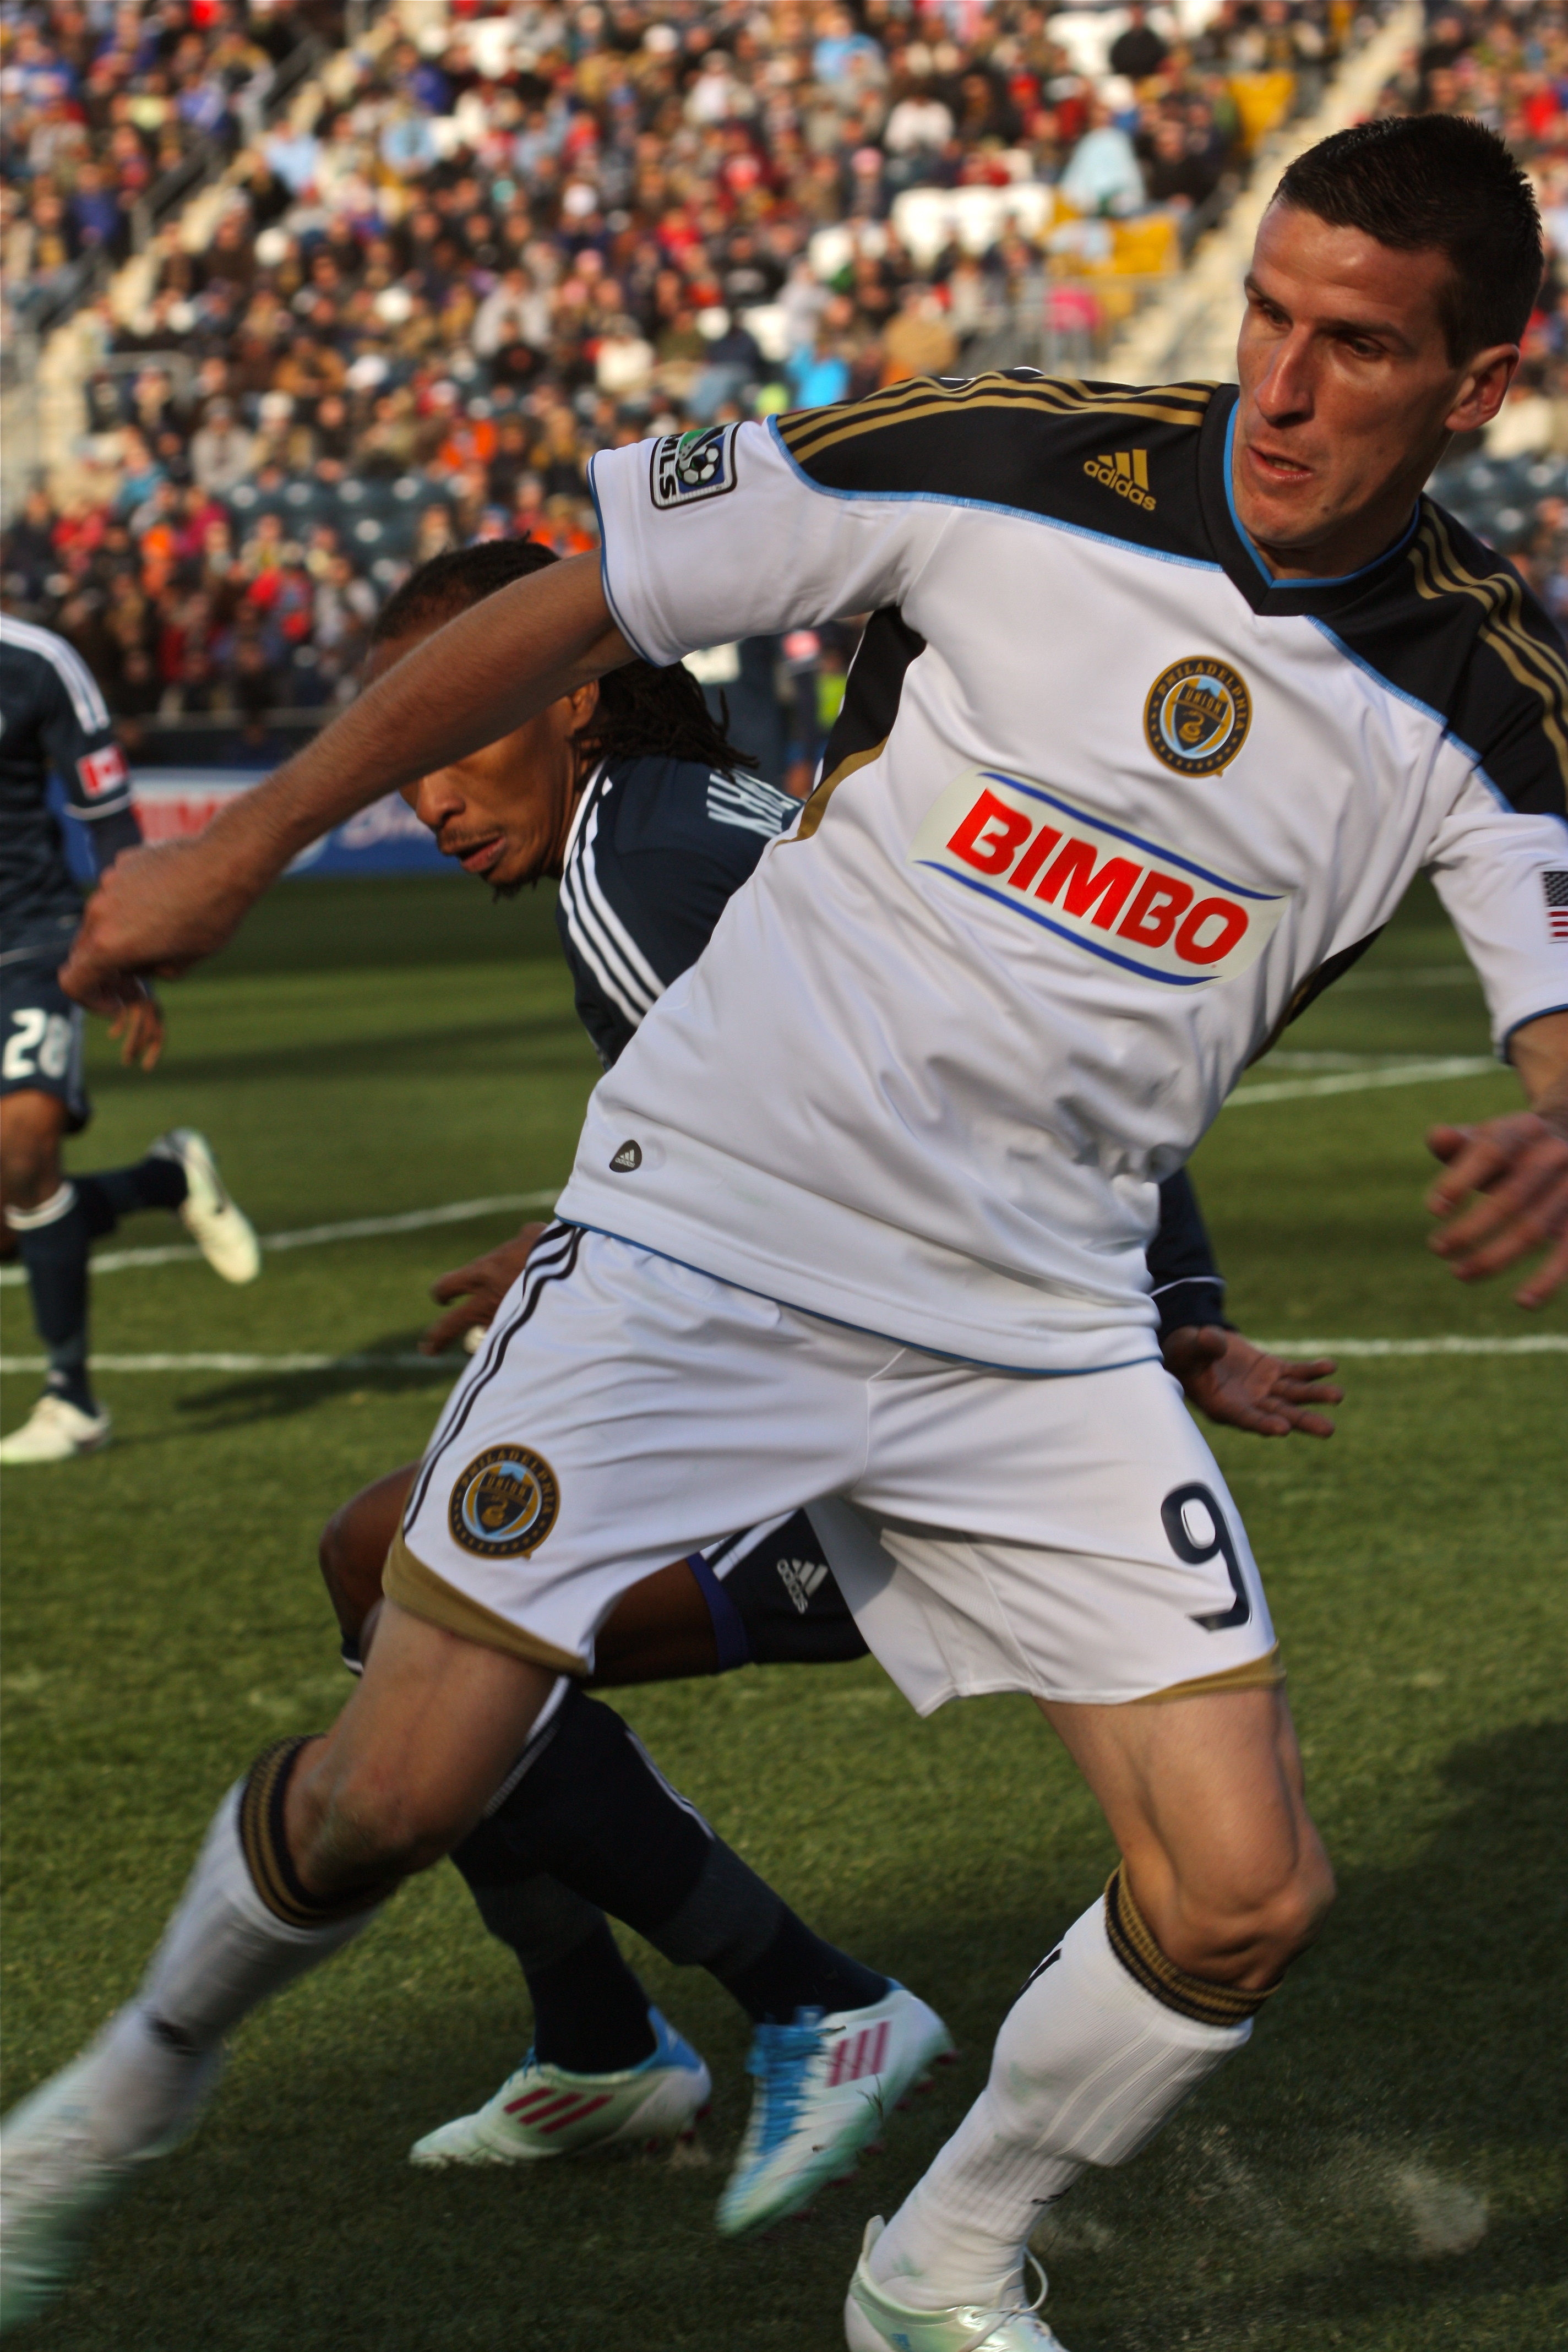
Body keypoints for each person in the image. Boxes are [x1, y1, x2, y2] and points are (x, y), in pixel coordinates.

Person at [10, 114, 1568, 2350]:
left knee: (1240, 1894)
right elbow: (586, 592)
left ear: (1476, 383)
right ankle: (116, 2097)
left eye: (1358, 348)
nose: (1283, 386)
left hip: (1037, 1318)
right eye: (1264, 317)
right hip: (714, 1232)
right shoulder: (1000, 455)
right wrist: (244, 844)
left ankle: (934, 2268)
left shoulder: (1489, 694)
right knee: (392, 1788)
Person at [316, 541, 1342, 2197]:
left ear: (571, 695)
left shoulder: (628, 874)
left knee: (403, 1586)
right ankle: (600, 2040)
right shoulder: (697, 820)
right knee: (399, 1569)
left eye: (449, 740)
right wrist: (1181, 1310)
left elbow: (850, 1170)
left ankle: (807, 2004)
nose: (424, 799)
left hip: (913, 1420)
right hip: (984, 1363)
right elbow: (1025, 1050)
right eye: (401, 757)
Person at [0, 615, 260, 1467]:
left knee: (23, 1147)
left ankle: (72, 1399)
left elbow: (108, 819)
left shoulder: (36, 664)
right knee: (11, 1221)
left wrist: (131, 953)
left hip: (31, 943)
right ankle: (166, 1178)